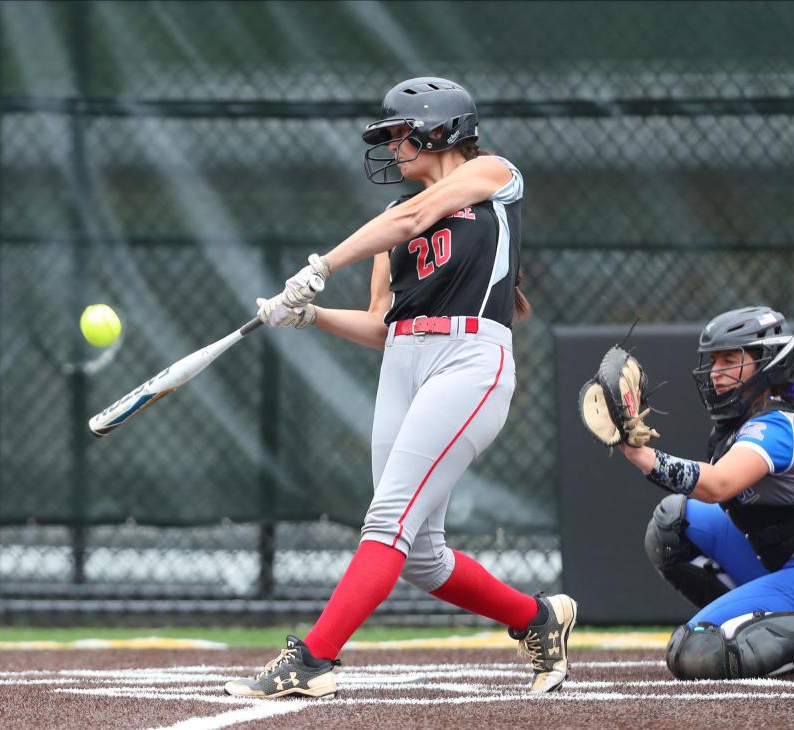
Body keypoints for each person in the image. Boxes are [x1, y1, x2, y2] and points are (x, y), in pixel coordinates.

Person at [222, 77, 577, 699]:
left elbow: (420, 214)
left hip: (470, 360)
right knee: (419, 556)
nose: (389, 147)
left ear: (438, 129)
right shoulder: (391, 223)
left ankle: (312, 660)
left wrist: (320, 267)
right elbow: (383, 324)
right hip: (405, 363)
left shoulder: (493, 174)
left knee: (386, 518)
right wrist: (309, 314)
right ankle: (538, 619)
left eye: (397, 133)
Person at [618, 305, 794, 680]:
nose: (716, 373)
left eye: (730, 360)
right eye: (714, 360)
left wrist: (638, 453)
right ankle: (767, 648)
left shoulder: (778, 425)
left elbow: (718, 484)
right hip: (790, 563)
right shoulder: (748, 422)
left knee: (695, 652)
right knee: (673, 522)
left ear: (767, 363)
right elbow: (710, 498)